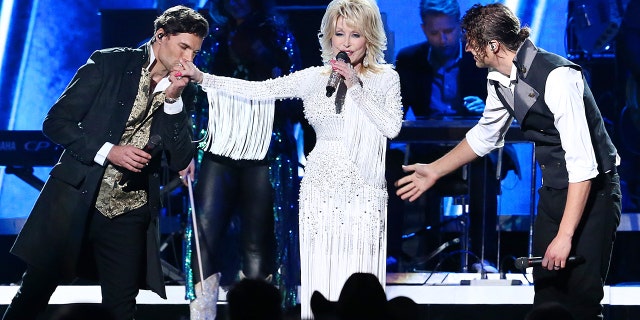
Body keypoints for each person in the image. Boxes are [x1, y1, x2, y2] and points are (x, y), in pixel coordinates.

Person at [396, 3, 620, 320]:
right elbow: (484, 135)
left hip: (593, 193)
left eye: (472, 41)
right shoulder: (499, 79)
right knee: (546, 295)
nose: (467, 48)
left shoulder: (557, 77)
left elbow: (583, 166)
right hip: (556, 191)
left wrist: (566, 235)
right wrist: (434, 170)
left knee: (581, 299)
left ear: (494, 45)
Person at [179, 0, 403, 317]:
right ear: (329, 36)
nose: (346, 43)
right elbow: (257, 90)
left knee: (360, 278)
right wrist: (203, 77)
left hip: (363, 189)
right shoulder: (314, 77)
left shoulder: (385, 78)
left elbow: (391, 128)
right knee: (321, 280)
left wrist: (355, 86)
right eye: (340, 34)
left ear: (369, 37)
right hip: (319, 187)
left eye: (356, 35)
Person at [1, 6, 208, 320]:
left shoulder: (185, 91)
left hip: (129, 208)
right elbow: (56, 122)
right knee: (34, 293)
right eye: (183, 47)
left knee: (121, 307)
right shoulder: (110, 62)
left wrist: (174, 100)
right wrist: (109, 151)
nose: (188, 59)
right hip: (76, 199)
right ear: (160, 36)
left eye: (195, 52)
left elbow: (180, 158)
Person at [181, 0, 302, 318]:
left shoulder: (276, 33)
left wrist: (262, 56)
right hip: (218, 144)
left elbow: (291, 95)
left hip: (263, 145)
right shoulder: (206, 30)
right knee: (204, 230)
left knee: (256, 238)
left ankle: (255, 312)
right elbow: (190, 93)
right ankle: (201, 313)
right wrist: (189, 145)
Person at [388, 0, 491, 271]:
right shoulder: (410, 60)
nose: (443, 39)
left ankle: (481, 257)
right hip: (427, 150)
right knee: (391, 167)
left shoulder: (479, 58)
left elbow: (502, 107)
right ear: (423, 29)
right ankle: (395, 256)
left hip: (469, 151)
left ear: (460, 27)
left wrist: (484, 108)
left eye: (448, 31)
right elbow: (396, 109)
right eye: (435, 33)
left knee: (484, 169)